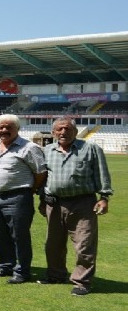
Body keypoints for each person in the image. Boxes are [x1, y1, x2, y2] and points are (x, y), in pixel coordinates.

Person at [38, 117, 113, 296]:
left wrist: (104, 197)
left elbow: (102, 173)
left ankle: (82, 282)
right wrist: (42, 199)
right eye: (59, 129)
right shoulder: (47, 150)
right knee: (53, 244)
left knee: (84, 244)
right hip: (54, 204)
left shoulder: (90, 149)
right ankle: (56, 275)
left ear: (75, 131)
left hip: (83, 203)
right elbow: (43, 178)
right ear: (53, 132)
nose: (63, 132)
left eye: (67, 129)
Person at [0, 114, 47, 284]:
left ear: (17, 129)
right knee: (0, 235)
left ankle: (22, 271)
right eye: (1, 127)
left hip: (18, 197)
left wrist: (32, 188)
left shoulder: (29, 148)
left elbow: (41, 172)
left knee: (19, 236)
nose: (4, 130)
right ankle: (5, 266)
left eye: (9, 127)